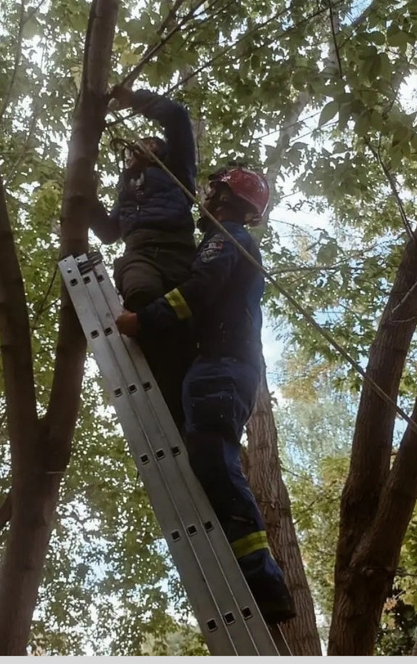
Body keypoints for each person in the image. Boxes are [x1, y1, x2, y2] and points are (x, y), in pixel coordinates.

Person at [114, 165, 297, 625]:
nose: (207, 198)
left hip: (221, 366)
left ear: (229, 200)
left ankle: (264, 581)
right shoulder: (227, 240)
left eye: (215, 191)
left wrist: (148, 318)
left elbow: (199, 289)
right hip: (221, 366)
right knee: (207, 461)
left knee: (215, 461)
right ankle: (252, 569)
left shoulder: (226, 237)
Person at [90, 85, 198, 433]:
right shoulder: (128, 190)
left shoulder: (177, 172)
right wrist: (87, 198)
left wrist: (134, 100)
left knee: (182, 327)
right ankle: (160, 379)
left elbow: (178, 118)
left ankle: (179, 403)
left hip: (177, 254)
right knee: (139, 294)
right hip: (139, 255)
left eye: (148, 145)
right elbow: (109, 233)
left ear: (161, 152)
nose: (136, 151)